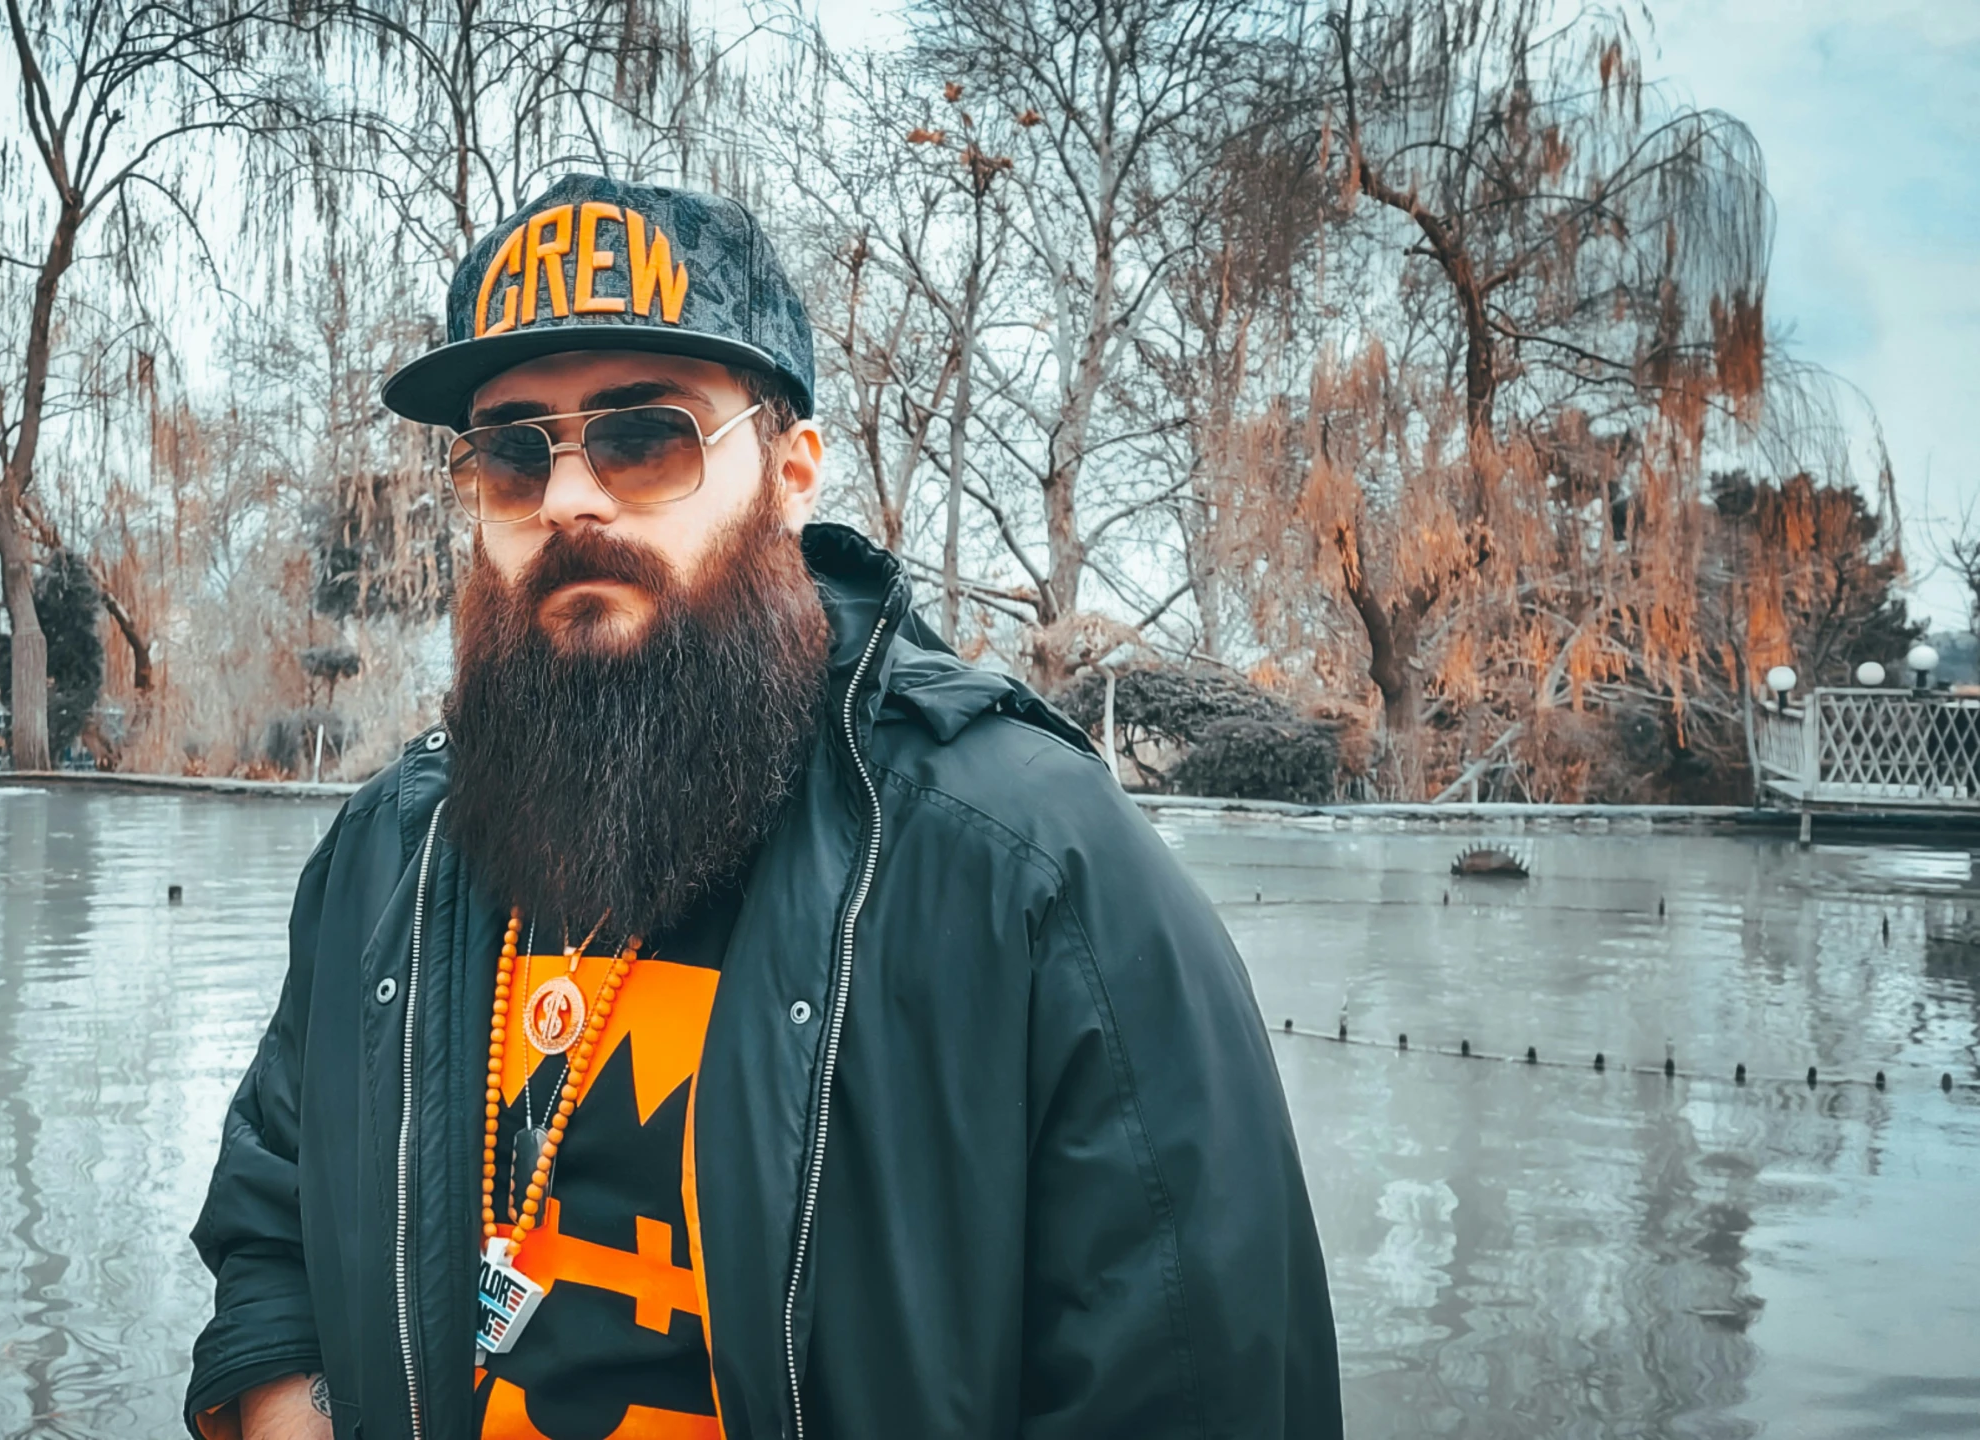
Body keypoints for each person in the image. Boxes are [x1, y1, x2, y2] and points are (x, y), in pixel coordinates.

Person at [185, 175, 1341, 1440]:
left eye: (644, 437)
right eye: (515, 453)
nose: (570, 498)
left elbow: (1194, 1382)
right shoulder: (387, 859)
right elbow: (272, 1220)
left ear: (790, 477)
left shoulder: (1035, 868)